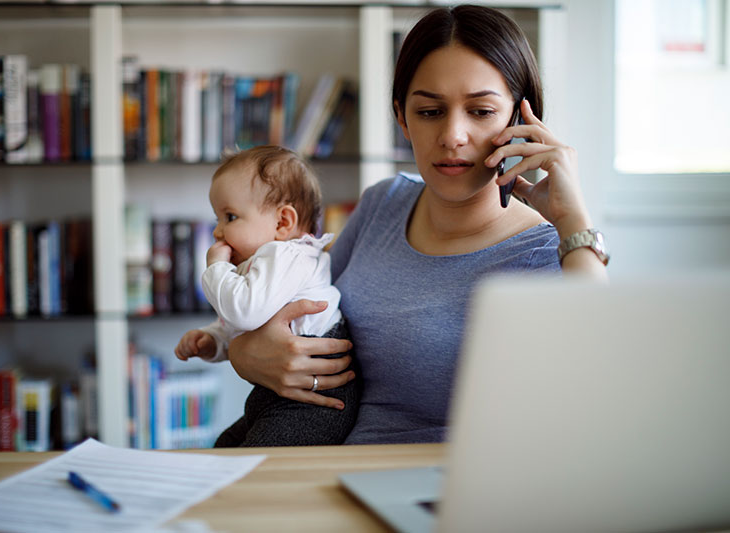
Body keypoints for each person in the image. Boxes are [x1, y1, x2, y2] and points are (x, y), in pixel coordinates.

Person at [183, 5, 609, 445]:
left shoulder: (549, 252)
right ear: (402, 117)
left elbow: (598, 389)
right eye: (430, 112)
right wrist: (242, 352)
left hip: (443, 493)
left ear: (520, 120)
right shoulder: (383, 203)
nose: (453, 135)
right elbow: (295, 303)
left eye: (481, 111)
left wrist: (572, 220)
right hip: (330, 470)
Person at [174, 145, 359, 447]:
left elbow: (245, 312)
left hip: (314, 401)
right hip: (278, 393)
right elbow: (248, 325)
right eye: (218, 219)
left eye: (230, 217)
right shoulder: (265, 262)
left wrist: (216, 267)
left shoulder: (287, 255)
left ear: (282, 223)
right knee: (225, 446)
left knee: (258, 462)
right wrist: (214, 340)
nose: (218, 232)